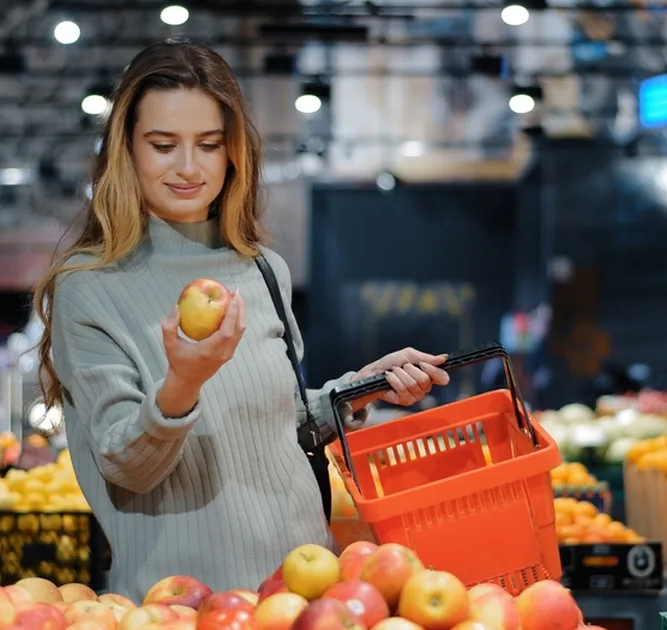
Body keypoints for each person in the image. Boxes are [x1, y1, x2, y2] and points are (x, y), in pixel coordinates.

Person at [31, 39, 451, 601]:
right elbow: (125, 466)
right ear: (125, 150)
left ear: (234, 153)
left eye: (209, 144)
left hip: (303, 596)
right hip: (182, 606)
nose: (188, 167)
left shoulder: (262, 269)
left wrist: (360, 388)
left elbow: (278, 425)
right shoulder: (89, 286)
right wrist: (183, 382)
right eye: (163, 145)